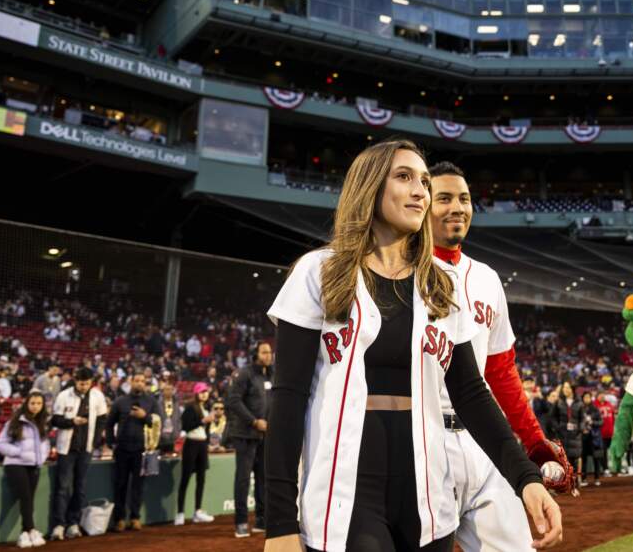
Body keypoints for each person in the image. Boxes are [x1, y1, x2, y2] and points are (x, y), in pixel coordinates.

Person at [263, 140, 561, 552]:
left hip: (427, 486)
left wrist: (525, 479)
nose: (420, 190)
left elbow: (472, 393)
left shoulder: (442, 283)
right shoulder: (319, 272)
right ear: (369, 187)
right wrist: (279, 522)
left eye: (424, 180)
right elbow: (288, 399)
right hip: (346, 486)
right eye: (404, 177)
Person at [428, 161, 573, 551]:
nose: (456, 207)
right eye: (443, 198)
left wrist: (533, 440)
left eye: (464, 198)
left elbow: (501, 371)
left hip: (484, 439)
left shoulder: (488, 278)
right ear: (422, 204)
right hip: (422, 438)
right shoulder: (400, 272)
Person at [49, 367, 108, 541]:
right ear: (76, 381)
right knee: (62, 488)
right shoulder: (64, 395)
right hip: (66, 449)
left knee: (80, 488)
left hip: (86, 449)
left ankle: (73, 523)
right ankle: (59, 524)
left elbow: (102, 420)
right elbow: (55, 420)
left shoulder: (97, 396)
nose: (84, 386)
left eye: (87, 383)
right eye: (81, 383)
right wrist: (71, 422)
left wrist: (96, 441)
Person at [225, 341, 273, 538]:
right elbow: (233, 401)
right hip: (245, 434)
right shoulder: (244, 373)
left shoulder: (272, 374)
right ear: (256, 354)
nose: (268, 355)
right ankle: (241, 522)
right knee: (243, 479)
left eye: (270, 352)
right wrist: (254, 421)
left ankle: (261, 520)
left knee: (262, 478)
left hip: (265, 435)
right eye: (264, 352)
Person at [105, 372, 159, 532]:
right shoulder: (120, 401)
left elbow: (157, 422)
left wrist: (145, 416)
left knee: (138, 486)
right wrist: (111, 442)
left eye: (143, 381)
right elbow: (109, 424)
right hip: (122, 449)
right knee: (120, 485)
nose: (140, 383)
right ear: (131, 381)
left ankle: (135, 517)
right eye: (137, 380)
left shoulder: (151, 402)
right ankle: (120, 519)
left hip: (143, 451)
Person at [0, 391, 51, 549]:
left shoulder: (43, 423)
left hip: (34, 465)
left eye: (39, 404)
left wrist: (41, 458)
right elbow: (0, 444)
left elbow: (45, 444)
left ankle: (26, 532)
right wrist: (18, 453)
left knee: (29, 499)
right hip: (15, 464)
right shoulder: (15, 421)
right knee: (26, 497)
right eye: (33, 403)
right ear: (27, 403)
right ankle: (29, 530)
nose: (35, 406)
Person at [175, 382, 216, 526]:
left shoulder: (206, 409)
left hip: (202, 445)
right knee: (185, 479)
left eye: (206, 391)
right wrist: (203, 421)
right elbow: (186, 427)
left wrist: (208, 443)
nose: (205, 394)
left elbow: (206, 431)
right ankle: (180, 513)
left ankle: (197, 511)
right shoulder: (190, 408)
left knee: (201, 479)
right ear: (196, 393)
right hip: (191, 444)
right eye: (202, 391)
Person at [578, 391, 604, 486]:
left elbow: (601, 422)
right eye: (585, 397)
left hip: (594, 437)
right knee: (583, 458)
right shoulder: (580, 409)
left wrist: (592, 422)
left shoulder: (595, 409)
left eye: (588, 397)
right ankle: (584, 479)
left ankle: (597, 478)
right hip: (583, 437)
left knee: (596, 458)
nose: (587, 399)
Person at [157, 381, 182, 454]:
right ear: (163, 391)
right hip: (161, 436)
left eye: (171, 389)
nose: (169, 391)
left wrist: (178, 431)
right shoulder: (158, 404)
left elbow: (179, 419)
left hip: (174, 435)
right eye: (167, 389)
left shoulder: (176, 403)